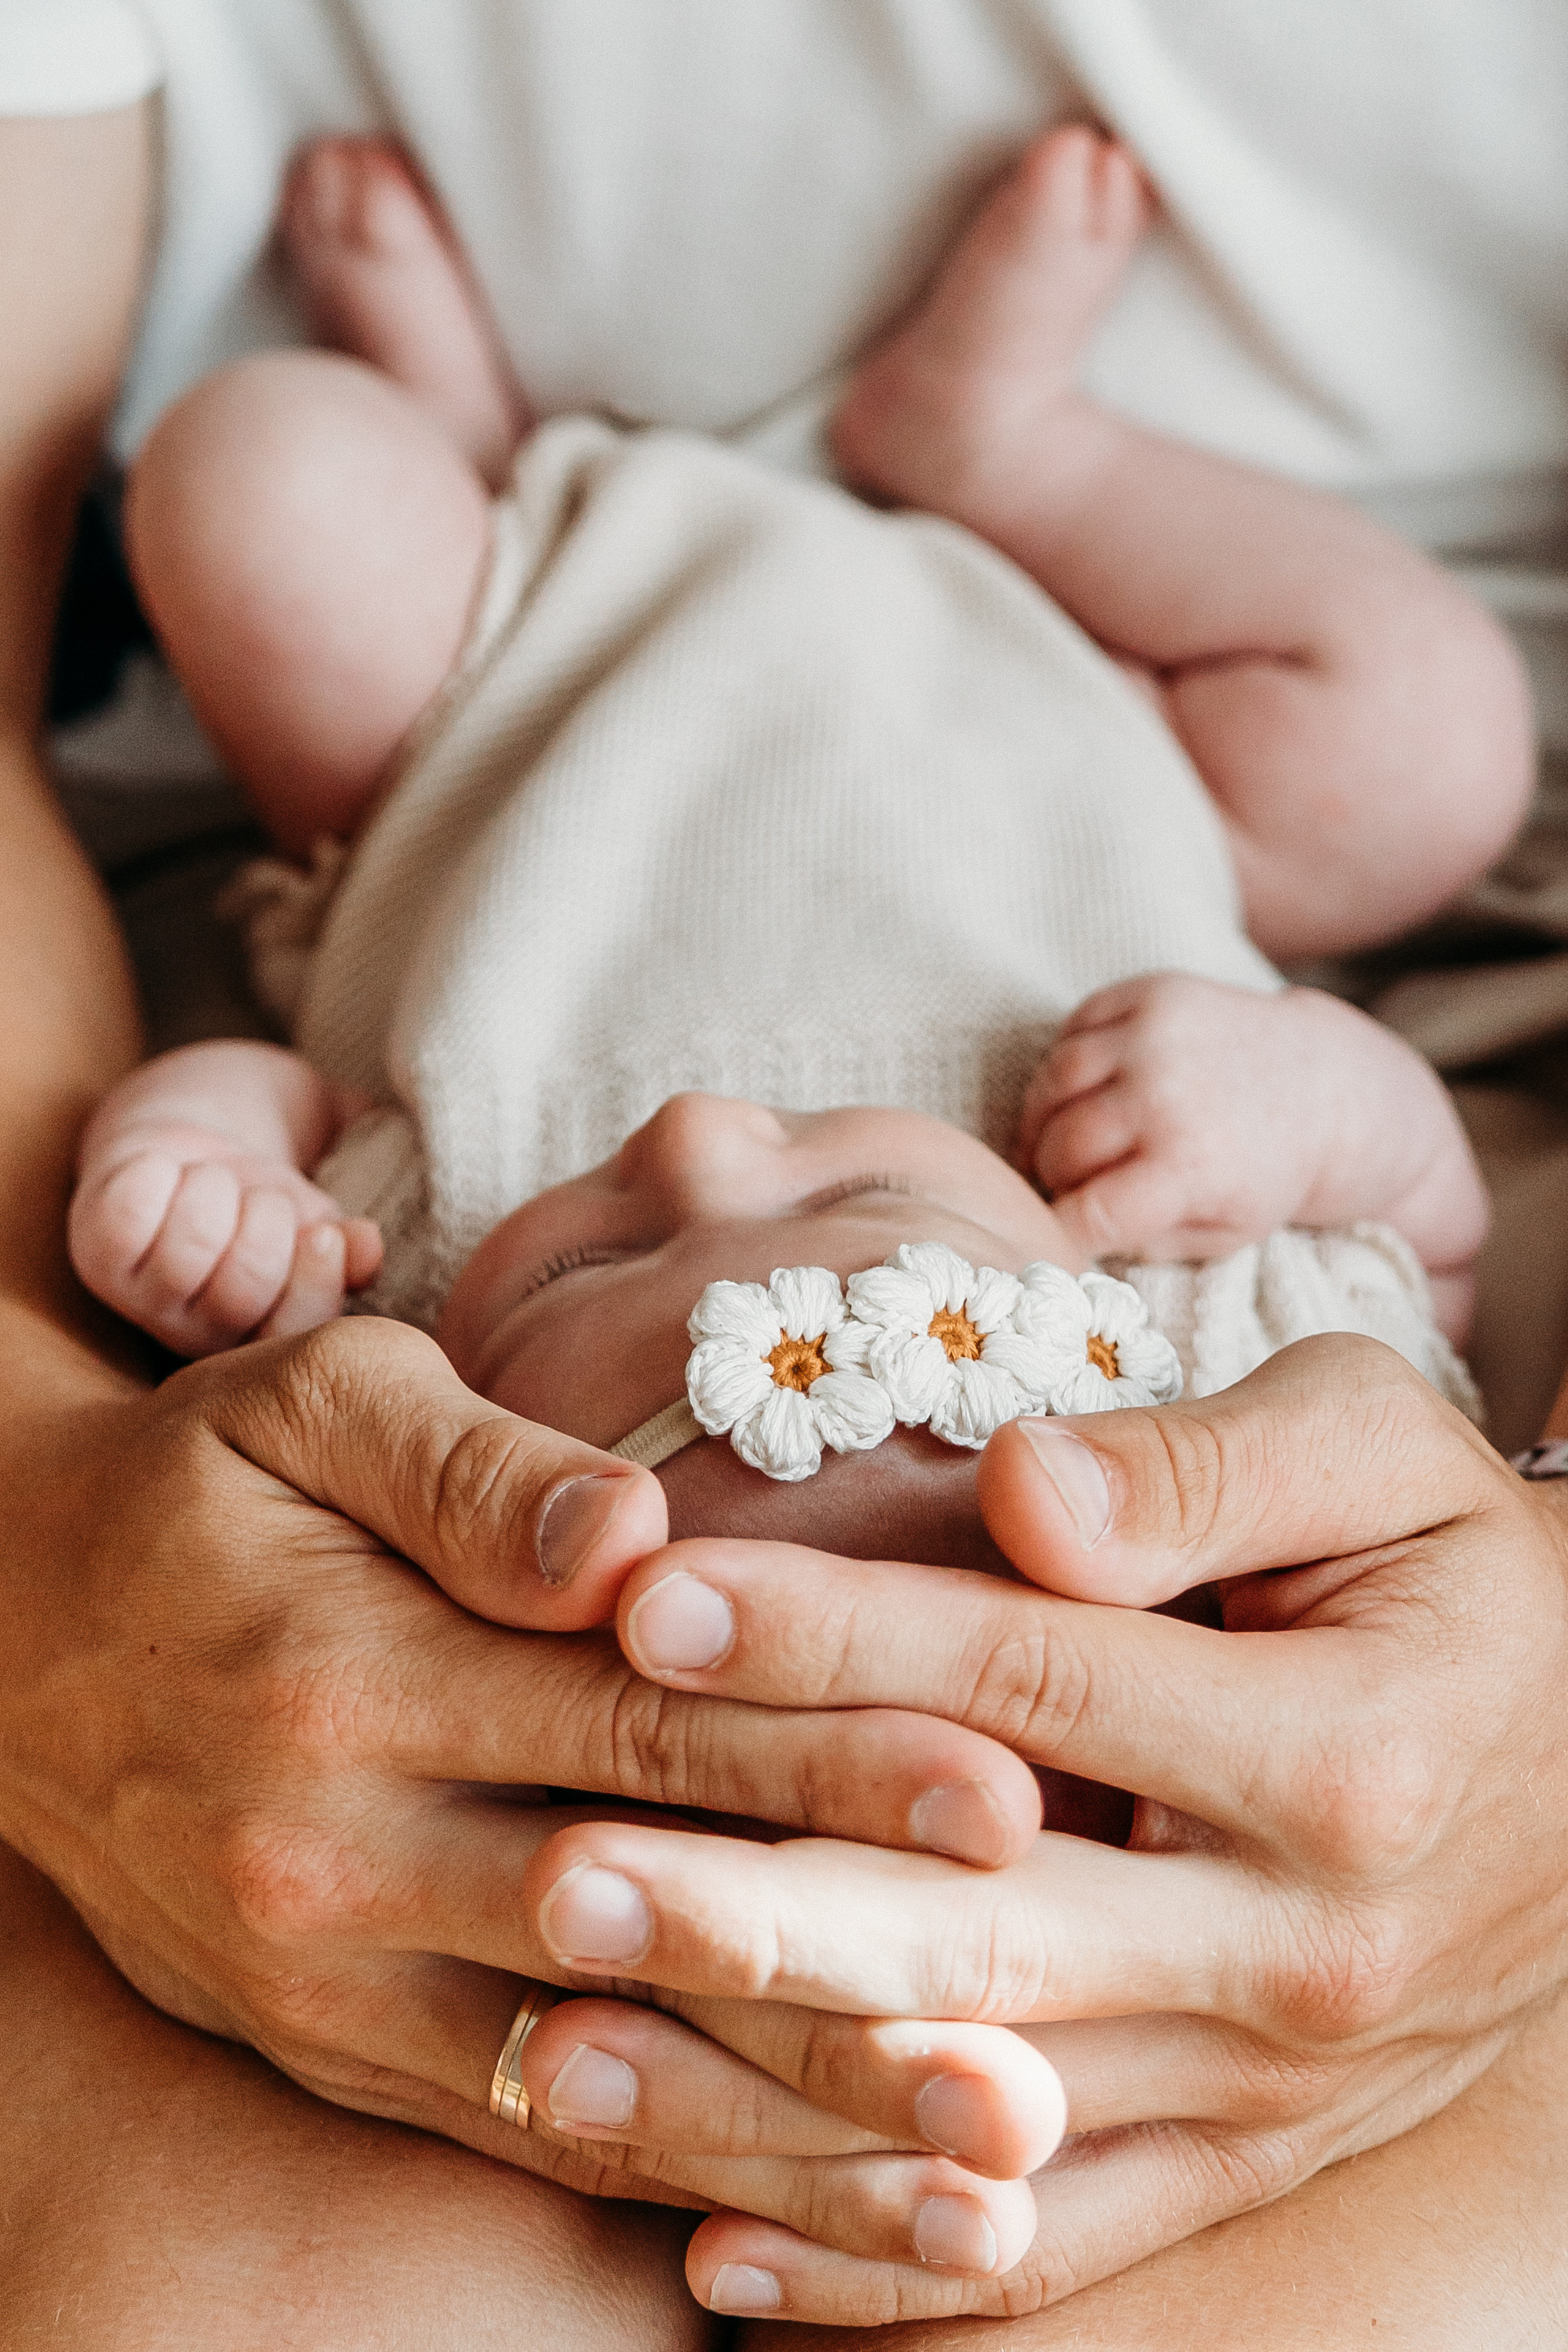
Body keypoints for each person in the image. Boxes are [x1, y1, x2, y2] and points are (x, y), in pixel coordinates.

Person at [4, 7, 1568, 2343]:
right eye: (843, 1215)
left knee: (273, 499)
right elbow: (1426, 1228)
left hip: (500, 701)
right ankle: (1005, 447)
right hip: (1146, 718)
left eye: (608, 1241)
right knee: (1418, 730)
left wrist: (185, 1172)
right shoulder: (1231, 1312)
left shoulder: (420, 1278)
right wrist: (1300, 1095)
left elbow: (252, 1136)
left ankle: (485, 441)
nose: (698, 1140)